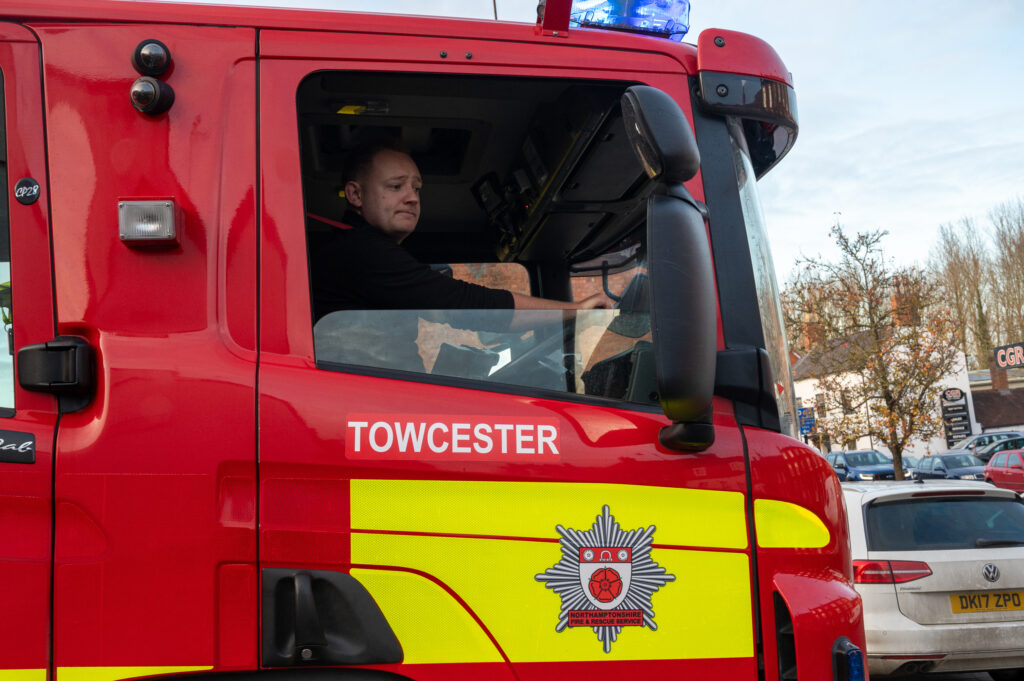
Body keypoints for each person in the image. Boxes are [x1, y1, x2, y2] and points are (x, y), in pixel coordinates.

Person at [308, 143, 608, 373]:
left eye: (416, 188)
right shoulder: (360, 250)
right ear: (355, 196)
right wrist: (577, 309)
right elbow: (463, 306)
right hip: (363, 409)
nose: (412, 197)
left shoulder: (371, 253)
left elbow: (439, 306)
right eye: (395, 186)